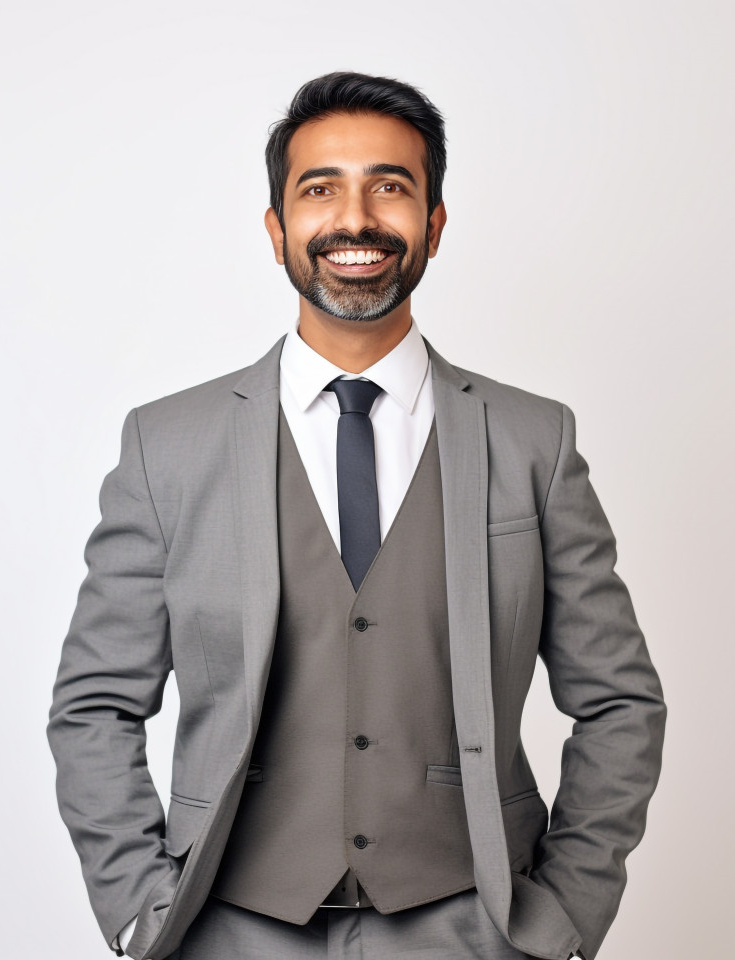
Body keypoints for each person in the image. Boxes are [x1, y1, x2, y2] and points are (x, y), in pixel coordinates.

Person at [47, 71, 666, 960]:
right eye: (320, 189)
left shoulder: (534, 441)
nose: (356, 218)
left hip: (475, 925)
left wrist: (565, 910)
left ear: (434, 225)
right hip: (227, 926)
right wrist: (140, 908)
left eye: (390, 186)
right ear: (277, 230)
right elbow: (95, 702)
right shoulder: (167, 446)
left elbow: (619, 699)